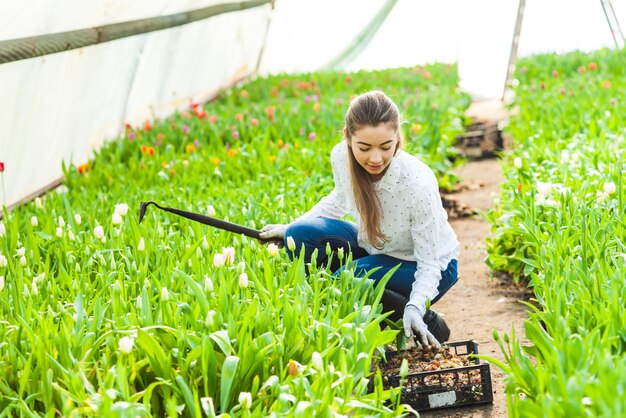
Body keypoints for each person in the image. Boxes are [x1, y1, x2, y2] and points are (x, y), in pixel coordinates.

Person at [259, 90, 459, 346]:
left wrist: (415, 306)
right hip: (377, 247)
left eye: (386, 147)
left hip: (429, 265)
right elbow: (340, 198)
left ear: (398, 138)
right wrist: (289, 228)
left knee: (347, 278)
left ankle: (425, 320)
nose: (376, 158)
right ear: (348, 138)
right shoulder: (341, 156)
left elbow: (429, 262)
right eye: (364, 148)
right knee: (299, 237)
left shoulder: (416, 183)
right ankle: (368, 314)